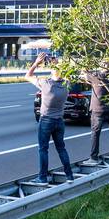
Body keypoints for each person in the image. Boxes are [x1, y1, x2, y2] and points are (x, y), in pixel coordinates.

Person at [26, 53, 74, 182]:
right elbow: (66, 75)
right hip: (59, 121)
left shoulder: (46, 83)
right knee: (61, 148)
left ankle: (42, 177)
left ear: (52, 72)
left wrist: (36, 63)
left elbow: (28, 75)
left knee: (43, 149)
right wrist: (58, 64)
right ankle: (69, 175)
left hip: (46, 120)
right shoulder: (67, 85)